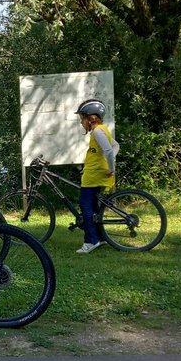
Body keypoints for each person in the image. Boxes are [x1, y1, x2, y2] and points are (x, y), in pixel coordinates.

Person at [74, 98, 119, 254]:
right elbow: (115, 146)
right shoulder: (102, 130)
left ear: (91, 118)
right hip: (96, 173)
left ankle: (91, 241)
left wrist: (110, 168)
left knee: (86, 205)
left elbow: (108, 150)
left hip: (93, 175)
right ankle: (100, 237)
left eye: (82, 118)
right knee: (94, 207)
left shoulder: (98, 131)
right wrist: (108, 165)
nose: (81, 122)